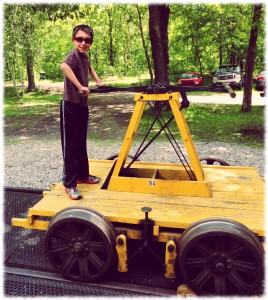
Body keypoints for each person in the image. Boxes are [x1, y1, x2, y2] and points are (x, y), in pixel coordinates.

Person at [60, 24, 103, 200]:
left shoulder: (84, 57)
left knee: (80, 142)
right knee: (71, 145)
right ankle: (69, 184)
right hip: (70, 104)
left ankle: (83, 175)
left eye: (87, 40)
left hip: (81, 105)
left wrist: (98, 82)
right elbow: (64, 67)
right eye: (80, 39)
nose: (83, 43)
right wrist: (79, 86)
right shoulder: (73, 54)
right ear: (73, 40)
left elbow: (90, 68)